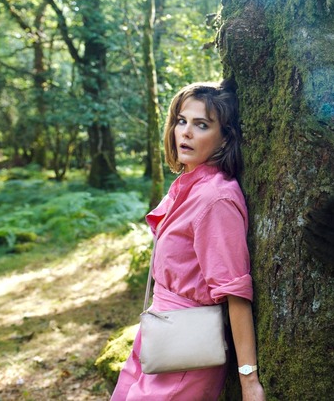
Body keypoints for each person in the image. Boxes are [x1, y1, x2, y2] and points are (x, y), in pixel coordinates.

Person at [112, 80, 265, 401]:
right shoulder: (188, 184)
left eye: (202, 125)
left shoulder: (215, 199)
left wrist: (249, 380)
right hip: (159, 334)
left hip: (186, 352)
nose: (186, 133)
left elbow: (236, 292)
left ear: (225, 137)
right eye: (182, 121)